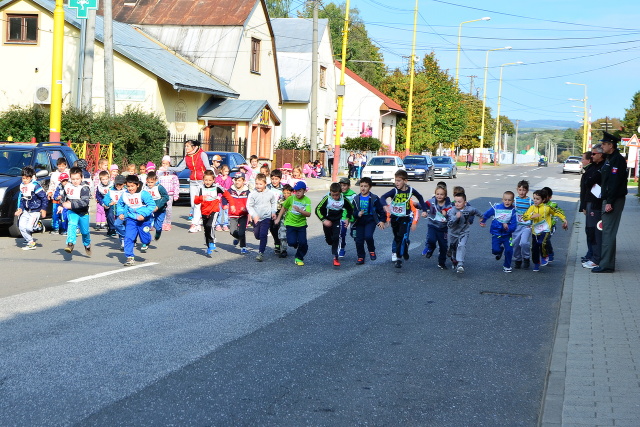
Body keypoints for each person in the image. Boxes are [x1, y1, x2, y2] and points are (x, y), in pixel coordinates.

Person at [593, 132, 628, 273]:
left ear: (611, 145)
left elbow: (614, 183)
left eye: (604, 144)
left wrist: (610, 202)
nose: (602, 146)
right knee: (608, 232)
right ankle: (606, 262)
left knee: (608, 232)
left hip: (613, 200)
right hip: (609, 199)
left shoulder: (617, 160)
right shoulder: (610, 159)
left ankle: (606, 265)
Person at [380, 170, 428, 268]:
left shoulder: (411, 190)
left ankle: (398, 259)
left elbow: (420, 197)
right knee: (397, 237)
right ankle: (405, 248)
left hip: (405, 217)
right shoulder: (394, 191)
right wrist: (384, 205)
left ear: (405, 181)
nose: (396, 183)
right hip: (395, 217)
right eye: (395, 180)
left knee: (401, 237)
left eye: (399, 181)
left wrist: (424, 210)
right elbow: (383, 197)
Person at [522, 189, 568, 272]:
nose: (535, 200)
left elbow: (557, 212)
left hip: (545, 229)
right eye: (534, 198)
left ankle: (544, 255)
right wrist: (531, 217)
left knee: (542, 242)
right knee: (534, 248)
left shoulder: (547, 208)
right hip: (535, 231)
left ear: (543, 200)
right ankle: (536, 263)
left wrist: (564, 219)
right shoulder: (532, 208)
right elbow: (524, 217)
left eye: (537, 199)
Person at [118, 175, 156, 266]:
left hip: (144, 220)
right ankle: (129, 257)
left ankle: (147, 241)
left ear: (137, 185)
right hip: (131, 219)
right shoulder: (124, 194)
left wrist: (143, 214)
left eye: (132, 186)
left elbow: (152, 205)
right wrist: (120, 213)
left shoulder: (143, 194)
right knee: (128, 237)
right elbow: (120, 204)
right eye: (128, 186)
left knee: (145, 239)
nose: (130, 188)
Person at [315, 182, 355, 266]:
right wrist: (323, 220)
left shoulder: (343, 199)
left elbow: (350, 208)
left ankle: (335, 257)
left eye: (337, 195)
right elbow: (317, 209)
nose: (335, 197)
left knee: (336, 237)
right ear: (330, 192)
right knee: (330, 241)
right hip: (327, 220)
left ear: (340, 193)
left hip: (337, 221)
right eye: (333, 195)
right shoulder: (327, 198)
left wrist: (347, 218)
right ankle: (328, 239)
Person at [194, 170, 231, 256]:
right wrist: (201, 198)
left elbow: (227, 195)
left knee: (210, 225)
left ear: (213, 180)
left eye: (210, 180)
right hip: (204, 211)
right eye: (206, 180)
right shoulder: (200, 188)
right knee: (206, 230)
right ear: (203, 180)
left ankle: (212, 241)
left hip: (214, 210)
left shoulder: (217, 187)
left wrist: (231, 204)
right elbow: (195, 201)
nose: (208, 182)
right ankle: (209, 247)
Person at [275, 181, 312, 266]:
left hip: (301, 225)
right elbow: (284, 207)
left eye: (300, 191)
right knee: (291, 242)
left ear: (304, 191)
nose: (297, 193)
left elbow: (308, 214)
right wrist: (278, 218)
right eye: (296, 191)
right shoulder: (291, 198)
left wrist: (300, 210)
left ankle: (299, 257)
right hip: (290, 223)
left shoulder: (307, 200)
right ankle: (297, 244)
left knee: (303, 243)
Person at [350, 177, 386, 265]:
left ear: (370, 187)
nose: (363, 188)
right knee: (359, 240)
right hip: (359, 221)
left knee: (368, 236)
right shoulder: (356, 198)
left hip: (370, 220)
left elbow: (381, 210)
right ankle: (361, 257)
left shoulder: (374, 198)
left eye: (365, 186)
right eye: (361, 186)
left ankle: (371, 250)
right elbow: (352, 211)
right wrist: (357, 214)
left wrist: (382, 220)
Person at [480, 191, 518, 273]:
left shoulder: (513, 211)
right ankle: (500, 250)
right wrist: (483, 220)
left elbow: (514, 224)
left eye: (509, 200)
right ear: (502, 199)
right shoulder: (497, 207)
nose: (507, 202)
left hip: (507, 234)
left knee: (509, 250)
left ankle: (507, 266)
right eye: (505, 200)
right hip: (496, 232)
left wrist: (508, 228)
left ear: (512, 201)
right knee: (495, 250)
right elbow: (488, 213)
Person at [580, 145, 604, 269]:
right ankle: (592, 256)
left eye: (594, 154)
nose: (592, 156)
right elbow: (586, 185)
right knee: (590, 230)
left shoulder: (602, 167)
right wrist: (583, 205)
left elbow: (589, 182)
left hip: (596, 203)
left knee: (595, 231)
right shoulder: (593, 167)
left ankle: (595, 257)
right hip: (590, 202)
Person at [447, 192, 483, 273]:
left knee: (461, 245)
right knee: (454, 248)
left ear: (465, 203)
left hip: (464, 232)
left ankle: (460, 264)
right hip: (453, 233)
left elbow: (477, 212)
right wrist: (456, 217)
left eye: (459, 202)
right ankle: (454, 259)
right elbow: (449, 224)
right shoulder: (452, 211)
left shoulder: (469, 209)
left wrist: (482, 218)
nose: (457, 204)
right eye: (455, 201)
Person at [61, 167, 92, 256]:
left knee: (85, 232)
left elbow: (85, 202)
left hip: (83, 213)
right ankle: (70, 243)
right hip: (72, 211)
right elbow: (63, 197)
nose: (75, 181)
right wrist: (61, 205)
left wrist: (71, 205)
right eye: (73, 179)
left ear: (81, 178)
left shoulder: (84, 188)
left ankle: (87, 244)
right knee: (72, 224)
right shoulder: (68, 186)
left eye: (77, 179)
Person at [15, 166, 48, 250]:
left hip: (35, 210)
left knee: (29, 227)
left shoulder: (35, 186)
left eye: (27, 178)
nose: (25, 180)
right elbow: (22, 199)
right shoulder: (22, 186)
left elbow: (44, 197)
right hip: (26, 211)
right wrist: (20, 208)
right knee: (21, 226)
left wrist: (43, 209)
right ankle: (30, 242)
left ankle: (38, 225)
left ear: (30, 178)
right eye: (23, 178)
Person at [247, 173, 278, 261]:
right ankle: (262, 240)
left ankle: (261, 252)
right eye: (256, 184)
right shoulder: (252, 194)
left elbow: (273, 203)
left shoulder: (270, 193)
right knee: (257, 235)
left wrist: (273, 212)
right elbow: (249, 206)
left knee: (263, 234)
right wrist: (254, 215)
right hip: (256, 218)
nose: (258, 186)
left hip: (266, 218)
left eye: (260, 184)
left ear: (265, 184)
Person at [184, 140, 213, 233]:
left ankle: (194, 223)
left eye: (188, 146)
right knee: (193, 204)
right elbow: (180, 168)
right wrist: (167, 168)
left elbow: (207, 167)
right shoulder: (187, 157)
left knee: (197, 203)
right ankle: (199, 223)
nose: (186, 148)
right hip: (193, 181)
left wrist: (210, 179)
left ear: (194, 147)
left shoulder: (202, 154)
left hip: (201, 181)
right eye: (185, 146)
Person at [422, 184, 452, 269]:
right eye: (437, 194)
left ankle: (441, 263)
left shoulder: (448, 205)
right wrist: (424, 211)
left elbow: (451, 215)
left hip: (443, 228)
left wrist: (446, 215)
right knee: (431, 240)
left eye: (441, 194)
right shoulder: (431, 201)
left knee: (443, 246)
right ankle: (431, 249)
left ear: (445, 195)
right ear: (435, 194)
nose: (439, 196)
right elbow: (423, 205)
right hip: (432, 225)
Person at [226, 171, 251, 254]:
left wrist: (247, 209)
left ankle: (243, 247)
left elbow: (251, 202)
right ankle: (238, 237)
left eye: (239, 180)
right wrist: (224, 204)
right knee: (232, 231)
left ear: (244, 181)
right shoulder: (230, 190)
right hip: (233, 215)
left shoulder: (247, 192)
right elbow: (224, 197)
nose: (237, 182)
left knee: (242, 232)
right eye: (236, 180)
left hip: (243, 215)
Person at [513, 180, 534, 269]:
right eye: (520, 190)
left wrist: (532, 224)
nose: (522, 192)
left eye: (524, 190)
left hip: (526, 226)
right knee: (515, 244)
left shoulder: (530, 202)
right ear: (517, 190)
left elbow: (534, 213)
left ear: (527, 191)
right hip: (516, 226)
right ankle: (518, 259)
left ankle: (526, 257)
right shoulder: (514, 201)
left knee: (524, 242)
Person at [143, 171, 170, 241]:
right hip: (149, 209)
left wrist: (158, 206)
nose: (150, 184)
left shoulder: (159, 187)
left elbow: (166, 197)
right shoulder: (145, 188)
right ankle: (146, 239)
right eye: (148, 182)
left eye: (152, 182)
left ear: (156, 180)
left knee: (158, 226)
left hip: (160, 210)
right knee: (147, 224)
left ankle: (158, 231)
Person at [541, 187, 565, 263]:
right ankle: (544, 254)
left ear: (550, 197)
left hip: (551, 226)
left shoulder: (553, 205)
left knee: (546, 239)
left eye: (545, 196)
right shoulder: (538, 204)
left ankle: (550, 253)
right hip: (541, 227)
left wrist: (564, 221)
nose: (543, 198)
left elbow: (560, 212)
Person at [101, 174, 127, 243]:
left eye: (120, 185)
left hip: (125, 210)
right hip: (115, 209)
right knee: (118, 224)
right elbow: (106, 199)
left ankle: (129, 239)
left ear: (124, 184)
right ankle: (122, 239)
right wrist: (109, 203)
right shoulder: (111, 190)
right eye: (117, 184)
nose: (118, 186)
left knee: (126, 225)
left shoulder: (126, 190)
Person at [157, 156, 180, 231]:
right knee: (161, 208)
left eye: (166, 164)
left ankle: (168, 223)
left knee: (168, 209)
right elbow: (156, 182)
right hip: (161, 194)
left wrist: (176, 194)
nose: (164, 165)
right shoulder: (159, 172)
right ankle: (163, 223)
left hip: (170, 194)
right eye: (163, 163)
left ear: (169, 164)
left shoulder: (173, 173)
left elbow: (176, 184)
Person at [47, 157, 69, 234]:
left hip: (65, 199)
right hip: (56, 198)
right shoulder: (54, 175)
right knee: (55, 213)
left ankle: (64, 228)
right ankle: (55, 228)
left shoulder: (69, 173)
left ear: (66, 165)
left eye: (63, 166)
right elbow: (51, 185)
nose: (61, 168)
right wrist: (50, 192)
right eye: (59, 166)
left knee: (65, 214)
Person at [338, 177, 357, 258]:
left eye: (344, 185)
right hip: (342, 217)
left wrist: (350, 218)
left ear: (349, 186)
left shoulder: (353, 195)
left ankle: (360, 248)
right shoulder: (338, 193)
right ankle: (342, 247)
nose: (342, 187)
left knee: (354, 235)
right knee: (341, 232)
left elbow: (355, 208)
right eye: (341, 185)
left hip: (352, 217)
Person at [267, 169, 285, 255]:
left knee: (280, 227)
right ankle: (277, 242)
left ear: (280, 179)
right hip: (270, 210)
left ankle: (282, 244)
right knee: (272, 228)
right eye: (272, 179)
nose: (274, 181)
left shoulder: (283, 188)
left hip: (280, 210)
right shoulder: (267, 187)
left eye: (276, 179)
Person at [214, 164, 233, 232]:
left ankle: (225, 224)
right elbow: (217, 186)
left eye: (227, 171)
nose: (226, 173)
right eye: (225, 171)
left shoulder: (229, 178)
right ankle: (217, 224)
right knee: (219, 211)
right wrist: (222, 180)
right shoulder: (218, 178)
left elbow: (231, 186)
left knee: (226, 212)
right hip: (219, 196)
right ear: (221, 171)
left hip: (226, 197)